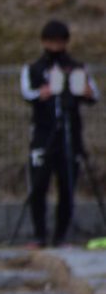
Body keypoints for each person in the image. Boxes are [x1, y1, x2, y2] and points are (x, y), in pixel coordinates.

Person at [21, 21, 99, 247]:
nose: (55, 47)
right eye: (51, 42)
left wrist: (84, 91)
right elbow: (27, 93)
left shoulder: (78, 68)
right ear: (44, 42)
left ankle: (61, 236)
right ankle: (39, 235)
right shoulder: (33, 69)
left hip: (70, 137)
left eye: (59, 42)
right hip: (43, 137)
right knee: (38, 186)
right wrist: (42, 92)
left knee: (67, 187)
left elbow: (94, 95)